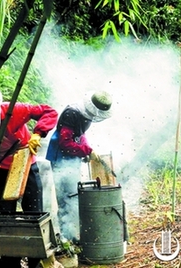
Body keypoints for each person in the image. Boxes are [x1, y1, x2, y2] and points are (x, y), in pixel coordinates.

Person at [0, 86, 58, 268]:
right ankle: (10, 262)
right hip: (1, 170)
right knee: (4, 217)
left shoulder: (14, 110)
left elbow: (49, 111)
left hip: (26, 166)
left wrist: (38, 133)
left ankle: (35, 260)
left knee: (33, 214)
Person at [45, 90, 113, 241]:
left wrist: (87, 150)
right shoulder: (71, 113)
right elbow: (65, 142)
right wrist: (86, 151)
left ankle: (72, 232)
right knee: (65, 196)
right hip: (60, 158)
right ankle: (65, 237)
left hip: (72, 157)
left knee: (74, 194)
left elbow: (81, 135)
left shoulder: (87, 115)